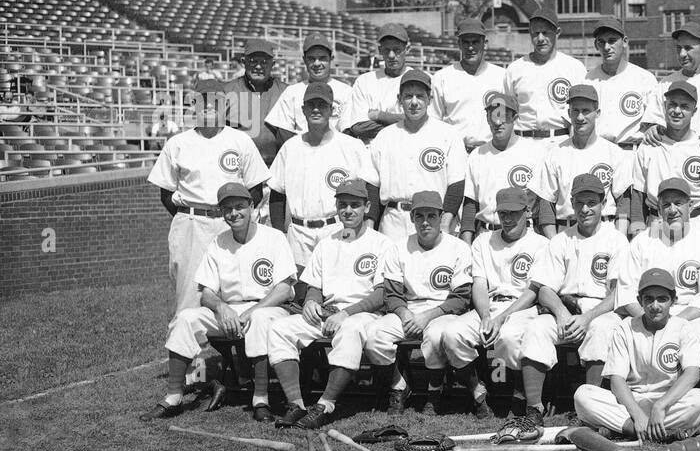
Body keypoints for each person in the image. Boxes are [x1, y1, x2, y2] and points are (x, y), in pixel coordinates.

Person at [140, 182, 295, 422]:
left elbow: (284, 289)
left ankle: (260, 398)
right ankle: (174, 397)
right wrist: (222, 308)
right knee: (186, 318)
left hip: (269, 308)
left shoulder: (274, 238)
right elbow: (207, 292)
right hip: (230, 310)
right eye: (228, 209)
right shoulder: (218, 242)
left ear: (252, 206)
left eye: (240, 207)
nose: (234, 213)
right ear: (222, 213)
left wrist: (251, 311)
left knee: (260, 319)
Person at [266, 178, 399, 429]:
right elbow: (314, 285)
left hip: (365, 313)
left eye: (355, 205)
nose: (348, 210)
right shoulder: (327, 243)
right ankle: (296, 404)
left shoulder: (381, 243)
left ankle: (325, 404)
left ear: (367, 207)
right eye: (343, 204)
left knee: (350, 330)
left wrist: (346, 314)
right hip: (328, 312)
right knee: (279, 329)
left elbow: (382, 294)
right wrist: (310, 302)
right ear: (336, 207)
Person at [513, 173, 631, 436]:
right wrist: (562, 313)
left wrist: (586, 317)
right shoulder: (561, 240)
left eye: (592, 202)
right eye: (579, 203)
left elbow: (617, 295)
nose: (585, 209)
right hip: (564, 310)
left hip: (600, 310)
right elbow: (544, 289)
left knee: (602, 329)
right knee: (536, 329)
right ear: (572, 205)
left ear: (602, 204)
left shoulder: (616, 240)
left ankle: (592, 413)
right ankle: (534, 410)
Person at [147, 78, 270, 314]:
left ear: (225, 105)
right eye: (203, 99)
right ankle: (187, 349)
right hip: (191, 226)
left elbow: (254, 187)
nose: (210, 104)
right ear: (194, 104)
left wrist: (236, 219)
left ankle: (237, 345)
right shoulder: (178, 143)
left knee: (235, 288)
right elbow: (166, 194)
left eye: (216, 99)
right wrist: (191, 214)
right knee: (189, 293)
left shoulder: (240, 140)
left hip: (230, 223)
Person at [441, 187, 548, 423]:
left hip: (522, 308)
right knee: (451, 333)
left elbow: (533, 291)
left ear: (527, 212)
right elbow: (479, 283)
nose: (507, 219)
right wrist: (486, 315)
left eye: (514, 213)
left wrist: (502, 318)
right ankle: (479, 394)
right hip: (488, 306)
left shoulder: (540, 244)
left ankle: (519, 397)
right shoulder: (483, 241)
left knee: (509, 337)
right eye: (503, 214)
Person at [363, 189, 474, 416]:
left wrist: (427, 317)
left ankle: (434, 393)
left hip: (442, 312)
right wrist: (405, 315)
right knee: (374, 336)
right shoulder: (398, 246)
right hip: (408, 310)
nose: (425, 222)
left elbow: (461, 297)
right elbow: (392, 293)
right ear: (412, 218)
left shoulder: (458, 247)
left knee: (435, 337)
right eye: (419, 216)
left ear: (441, 217)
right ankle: (399, 387)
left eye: (431, 216)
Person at [572, 268, 700, 442]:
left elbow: (692, 374)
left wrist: (660, 406)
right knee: (583, 395)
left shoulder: (683, 327)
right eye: (649, 299)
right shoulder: (625, 327)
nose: (655, 306)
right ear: (639, 300)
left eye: (662, 299)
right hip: (630, 401)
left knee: (699, 400)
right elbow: (616, 380)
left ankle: (625, 429)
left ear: (673, 300)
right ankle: (655, 431)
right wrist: (637, 414)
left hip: (668, 401)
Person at [268, 82, 377, 268]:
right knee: (300, 295)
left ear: (332, 109)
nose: (316, 109)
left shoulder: (351, 146)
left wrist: (368, 225)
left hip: (337, 229)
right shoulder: (290, 148)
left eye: (322, 105)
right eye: (311, 105)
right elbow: (277, 194)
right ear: (303, 109)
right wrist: (280, 235)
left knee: (337, 292)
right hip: (298, 235)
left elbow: (371, 186)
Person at [368, 68, 467, 245]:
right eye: (408, 96)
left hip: (433, 221)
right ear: (399, 100)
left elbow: (456, 185)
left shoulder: (448, 134)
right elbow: (372, 186)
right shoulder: (385, 136)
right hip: (393, 221)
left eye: (420, 96)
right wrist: (368, 230)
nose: (414, 102)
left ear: (430, 99)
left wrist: (444, 225)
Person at [617, 177, 700, 335]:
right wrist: (650, 321)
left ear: (690, 206)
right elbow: (626, 292)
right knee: (617, 328)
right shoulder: (641, 242)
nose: (672, 210)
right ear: (659, 210)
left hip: (690, 317)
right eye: (666, 205)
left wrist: (672, 324)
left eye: (678, 203)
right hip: (647, 316)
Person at [527, 83, 631, 237]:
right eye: (575, 111)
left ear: (597, 113)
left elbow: (623, 203)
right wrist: (554, 243)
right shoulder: (555, 154)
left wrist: (620, 239)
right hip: (567, 232)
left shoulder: (614, 153)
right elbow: (546, 206)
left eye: (586, 111)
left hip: (605, 230)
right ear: (569, 113)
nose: (580, 117)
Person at [459, 93, 543, 239]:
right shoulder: (477, 155)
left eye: (503, 116)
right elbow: (470, 205)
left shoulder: (534, 152)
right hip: (487, 235)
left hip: (525, 235)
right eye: (493, 116)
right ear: (487, 119)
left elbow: (544, 202)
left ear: (515, 118)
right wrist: (466, 241)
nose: (498, 122)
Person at [629, 80, 700, 233]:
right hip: (657, 222)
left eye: (684, 106)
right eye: (672, 104)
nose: (677, 110)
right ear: (664, 107)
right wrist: (637, 231)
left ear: (694, 111)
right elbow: (638, 196)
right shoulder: (649, 145)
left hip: (698, 221)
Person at [503, 5, 587, 141]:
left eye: (546, 32)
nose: (540, 38)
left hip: (560, 139)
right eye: (535, 33)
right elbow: (506, 111)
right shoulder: (515, 69)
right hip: (524, 141)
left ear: (557, 32)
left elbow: (585, 110)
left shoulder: (574, 68)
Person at [431, 18, 508, 151]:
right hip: (455, 151)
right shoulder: (442, 77)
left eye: (475, 42)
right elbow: (434, 120)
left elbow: (510, 119)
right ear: (459, 44)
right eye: (466, 42)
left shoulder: (502, 76)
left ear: (485, 44)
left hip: (492, 151)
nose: (470, 47)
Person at [263, 34, 354, 147]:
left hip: (335, 154)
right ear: (304, 60)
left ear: (331, 58)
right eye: (311, 58)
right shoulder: (291, 92)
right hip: (302, 154)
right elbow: (283, 132)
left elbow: (347, 132)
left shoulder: (346, 92)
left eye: (322, 58)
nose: (317, 63)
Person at [583, 15, 658, 150]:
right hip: (598, 151)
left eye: (612, 41)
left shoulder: (645, 79)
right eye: (601, 42)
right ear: (595, 45)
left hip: (631, 151)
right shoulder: (588, 80)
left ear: (624, 42)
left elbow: (654, 123)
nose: (606, 47)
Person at [220, 37, 287, 168]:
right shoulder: (227, 91)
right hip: (238, 168)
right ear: (244, 62)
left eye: (264, 62)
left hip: (276, 169)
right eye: (253, 61)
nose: (258, 66)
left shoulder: (286, 92)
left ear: (272, 64)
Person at [343, 23, 412, 143]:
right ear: (380, 50)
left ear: (407, 49)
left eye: (397, 50)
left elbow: (422, 122)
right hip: (372, 153)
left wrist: (380, 116)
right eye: (386, 50)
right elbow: (359, 126)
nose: (391, 55)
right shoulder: (364, 81)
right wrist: (404, 123)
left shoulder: (420, 79)